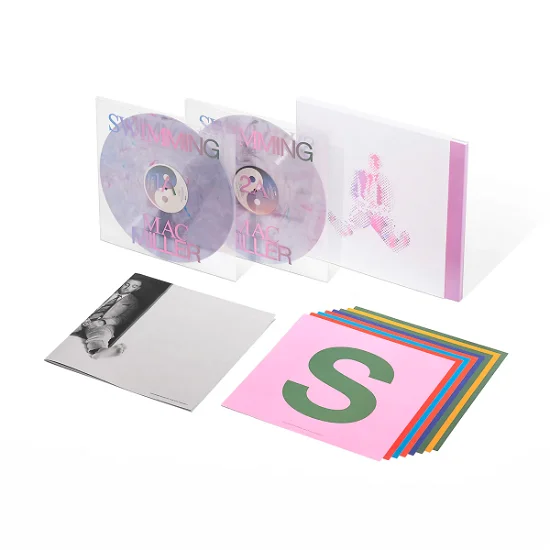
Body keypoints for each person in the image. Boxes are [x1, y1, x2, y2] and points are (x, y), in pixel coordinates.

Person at [78, 278, 142, 359]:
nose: (128, 287)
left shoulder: (133, 302)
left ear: (137, 289)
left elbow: (122, 319)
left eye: (134, 286)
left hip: (105, 323)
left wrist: (102, 322)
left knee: (102, 334)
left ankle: (99, 351)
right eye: (126, 284)